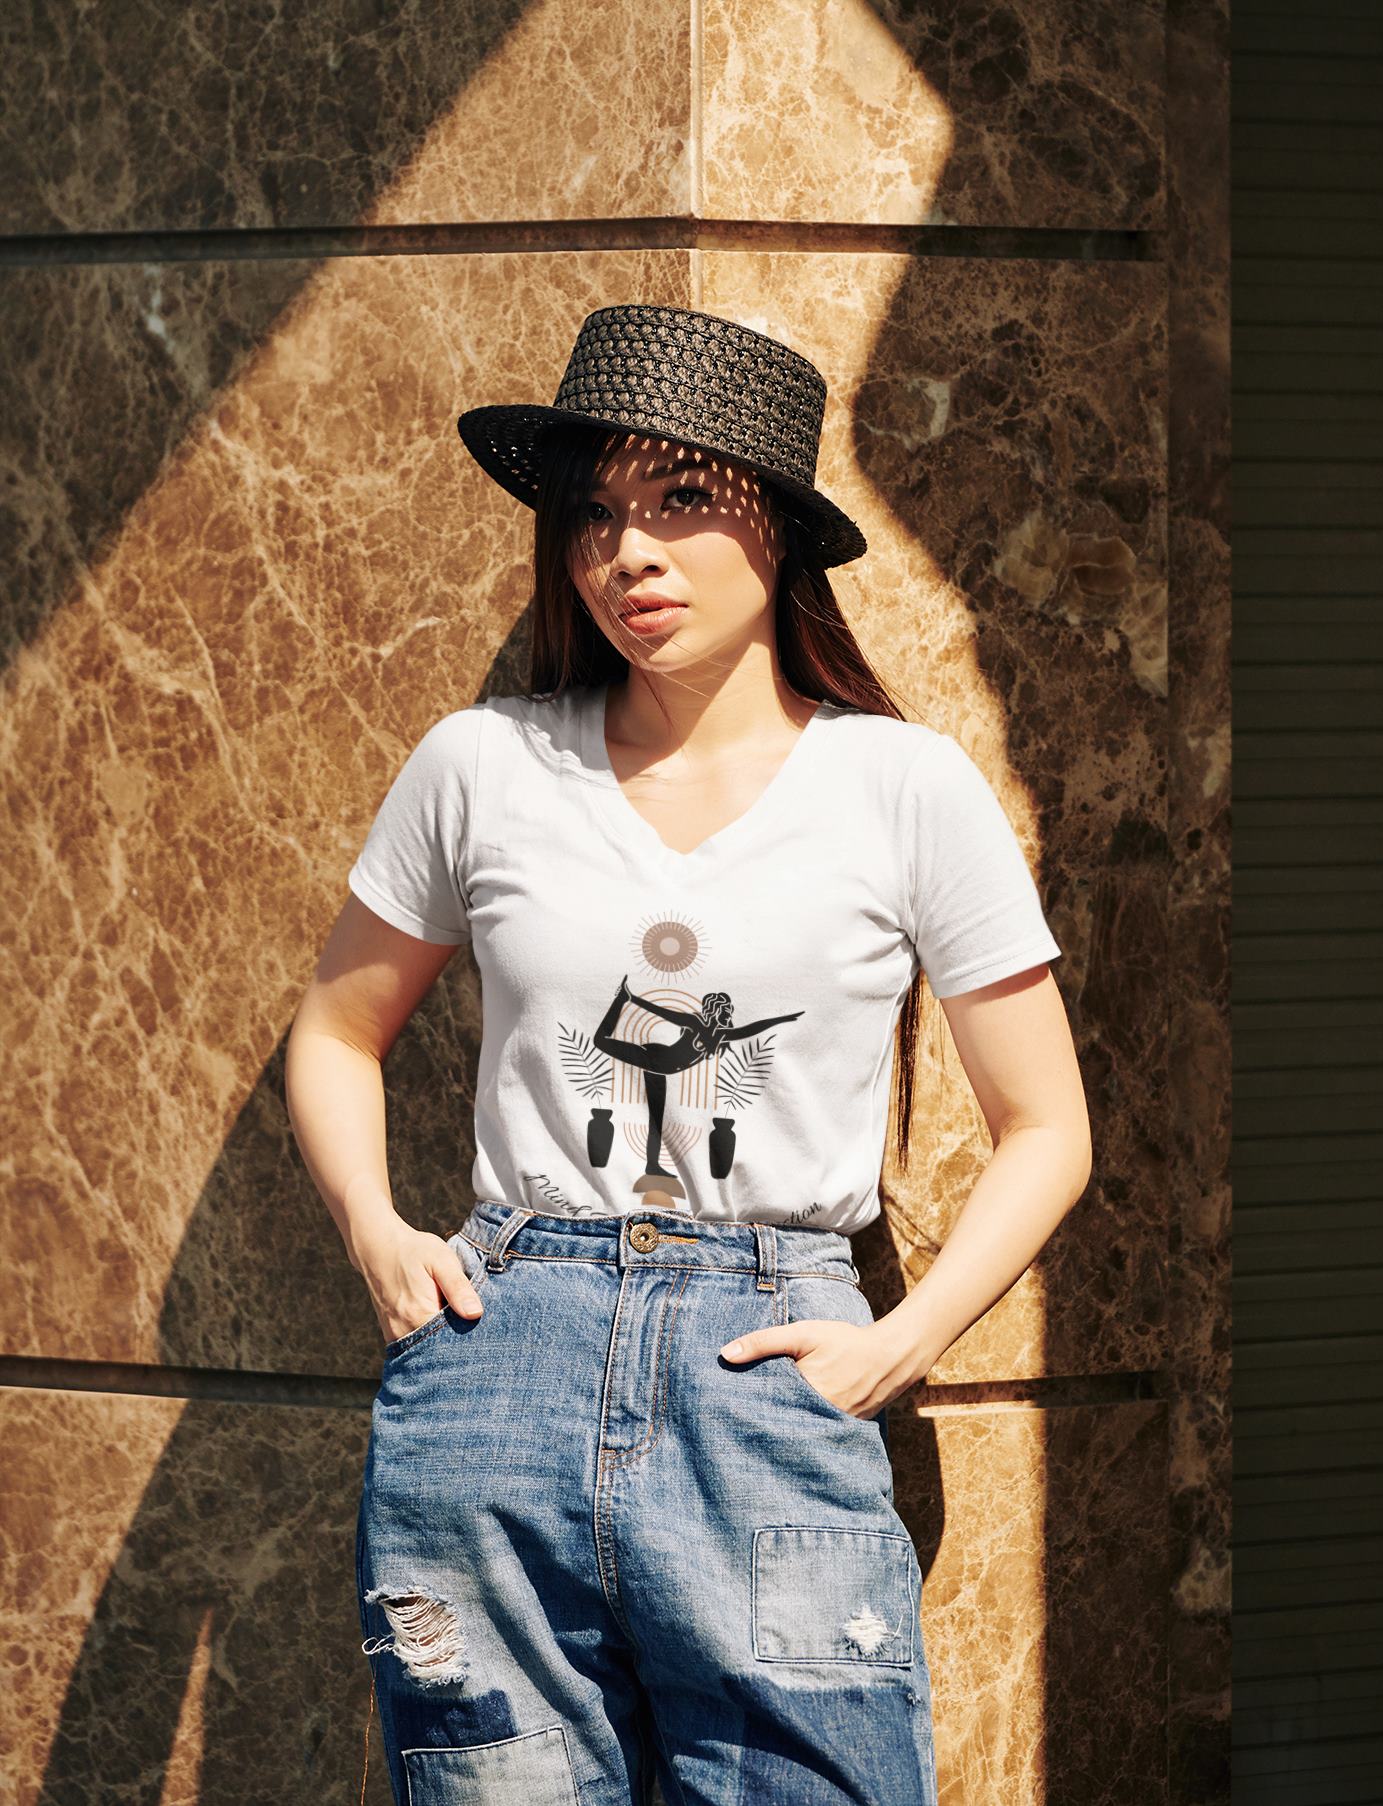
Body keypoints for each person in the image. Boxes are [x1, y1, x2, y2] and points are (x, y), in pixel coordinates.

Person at [284, 302, 1092, 1805]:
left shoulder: (903, 789)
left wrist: (900, 1347)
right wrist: (378, 1233)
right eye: (596, 515)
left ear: (777, 529)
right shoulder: (484, 762)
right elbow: (337, 1025)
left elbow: (1049, 1125)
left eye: (680, 502)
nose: (626, 554)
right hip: (498, 1362)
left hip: (765, 1362)